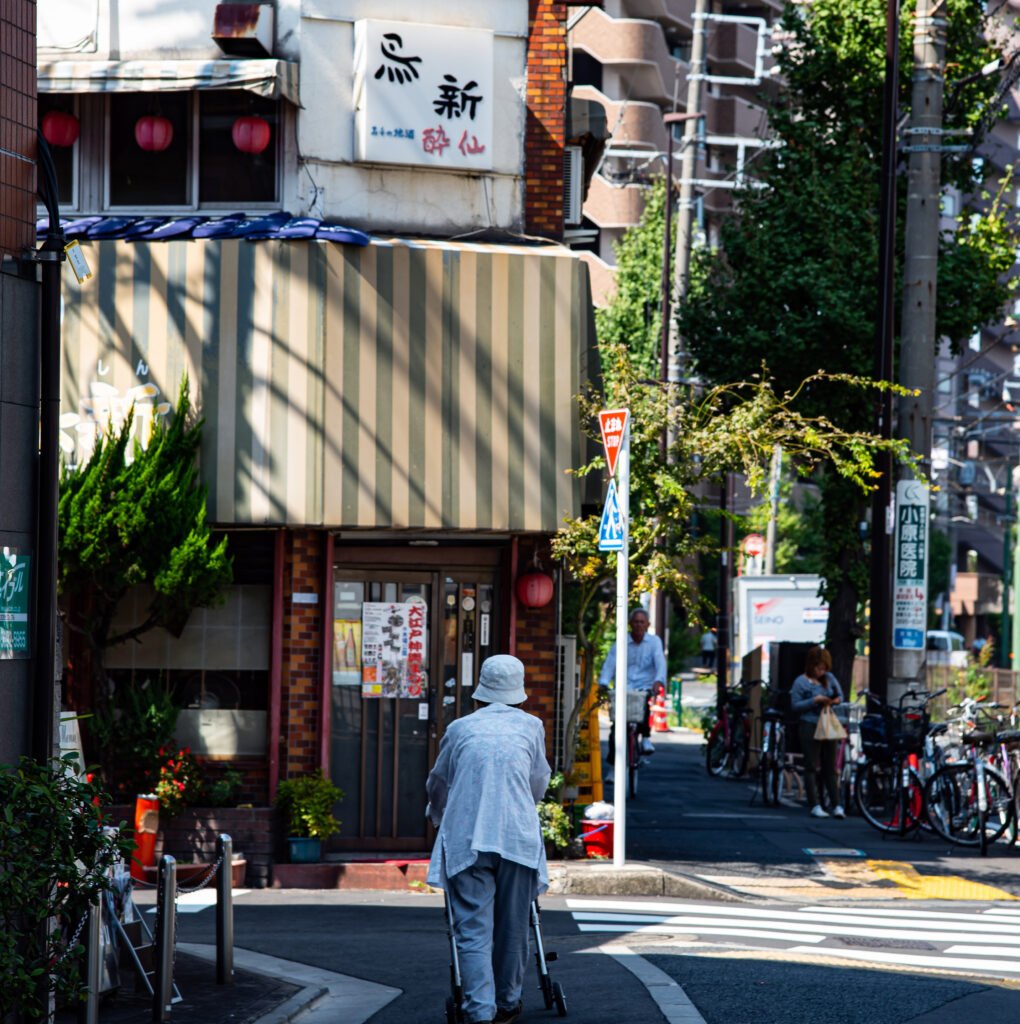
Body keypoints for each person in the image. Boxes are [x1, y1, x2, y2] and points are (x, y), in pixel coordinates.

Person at [425, 654, 550, 1024]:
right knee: (513, 927)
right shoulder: (532, 727)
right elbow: (538, 781)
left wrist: (436, 812)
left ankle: (480, 1011)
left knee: (472, 929)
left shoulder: (461, 729)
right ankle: (507, 1003)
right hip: (517, 837)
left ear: (479, 692)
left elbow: (439, 782)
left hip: (469, 836)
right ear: (518, 692)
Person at [598, 608, 667, 782]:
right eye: (635, 622)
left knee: (643, 703)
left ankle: (645, 738)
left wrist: (658, 681)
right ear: (630, 624)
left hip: (644, 685)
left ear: (648, 624)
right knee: (616, 729)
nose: (638, 625)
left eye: (642, 622)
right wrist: (604, 683)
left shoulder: (654, 642)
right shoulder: (621, 642)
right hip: (623, 687)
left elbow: (660, 663)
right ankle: (613, 768)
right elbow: (609, 663)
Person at [789, 645, 846, 819]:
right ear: (810, 665)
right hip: (809, 724)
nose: (820, 671)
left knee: (830, 767)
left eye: (823, 668)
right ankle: (814, 804)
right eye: (817, 667)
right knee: (811, 765)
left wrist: (833, 700)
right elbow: (795, 705)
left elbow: (841, 697)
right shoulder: (800, 681)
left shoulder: (829, 678)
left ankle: (836, 804)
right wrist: (814, 700)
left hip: (828, 724)